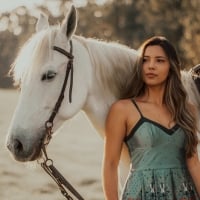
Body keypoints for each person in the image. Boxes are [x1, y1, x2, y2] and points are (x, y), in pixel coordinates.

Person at [102, 36, 200, 200]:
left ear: (171, 67)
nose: (151, 66)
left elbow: (193, 162)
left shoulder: (187, 109)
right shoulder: (123, 109)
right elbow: (110, 164)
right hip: (141, 193)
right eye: (145, 60)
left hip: (185, 193)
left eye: (159, 60)